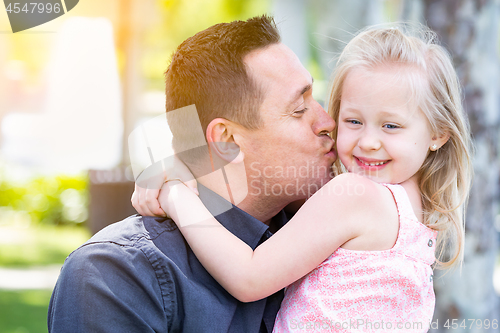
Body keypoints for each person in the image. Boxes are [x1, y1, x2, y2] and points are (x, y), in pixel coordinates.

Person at [139, 24, 473, 332]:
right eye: (353, 121)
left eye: (391, 126)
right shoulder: (417, 211)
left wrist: (176, 194)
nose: (368, 142)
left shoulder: (355, 195)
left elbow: (249, 276)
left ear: (438, 134)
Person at [48, 15, 336, 332]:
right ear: (226, 140)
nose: (328, 122)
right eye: (299, 109)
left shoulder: (341, 236)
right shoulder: (117, 276)